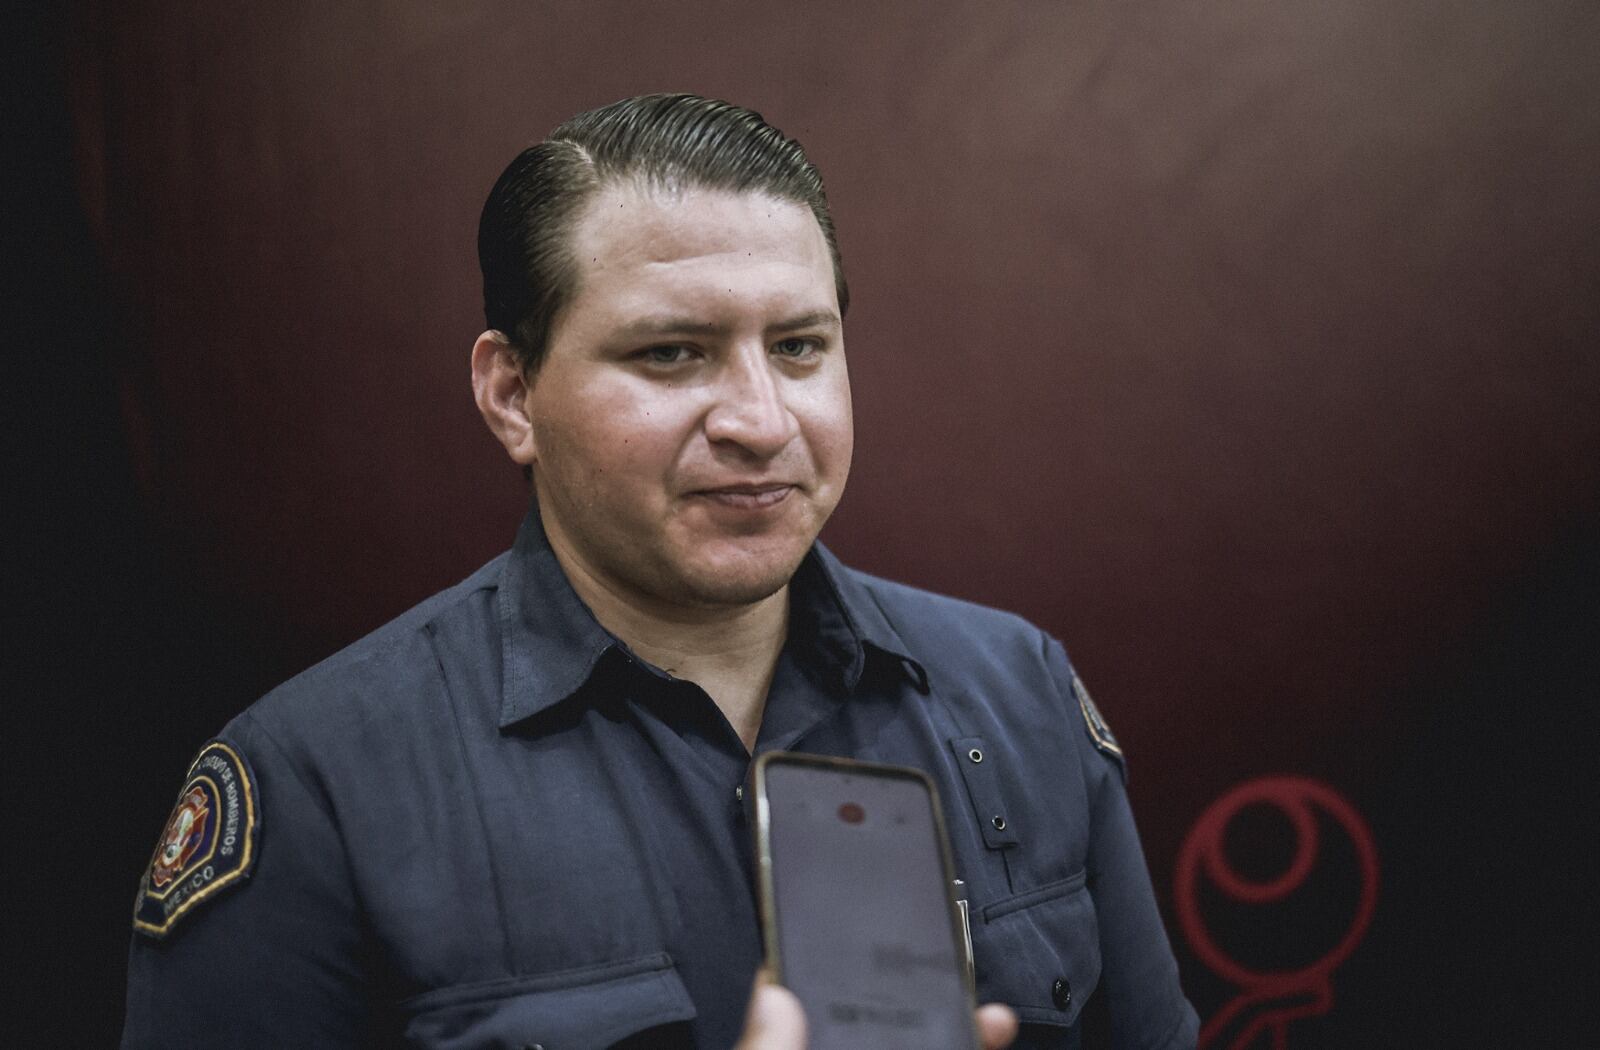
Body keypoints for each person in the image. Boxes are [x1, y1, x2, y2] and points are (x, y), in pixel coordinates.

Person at [122, 94, 1199, 1049]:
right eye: (670, 354)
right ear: (511, 394)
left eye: (798, 347)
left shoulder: (1019, 693)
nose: (759, 421)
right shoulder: (317, 788)